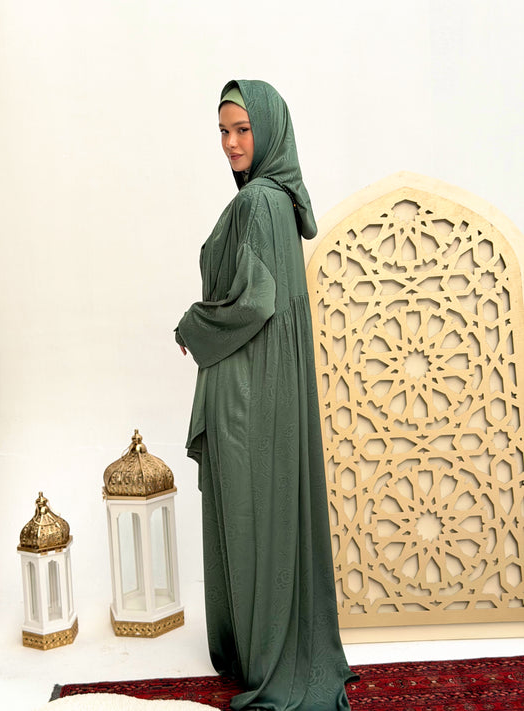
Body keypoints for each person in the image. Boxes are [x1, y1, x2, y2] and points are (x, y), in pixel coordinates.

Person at [175, 80, 357, 711]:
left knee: (249, 511)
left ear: (270, 130)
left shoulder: (257, 202)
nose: (230, 144)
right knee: (267, 507)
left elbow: (254, 302)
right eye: (223, 132)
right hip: (269, 383)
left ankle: (262, 654)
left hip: (246, 389)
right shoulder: (280, 200)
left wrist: (193, 326)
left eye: (242, 130)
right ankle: (267, 643)